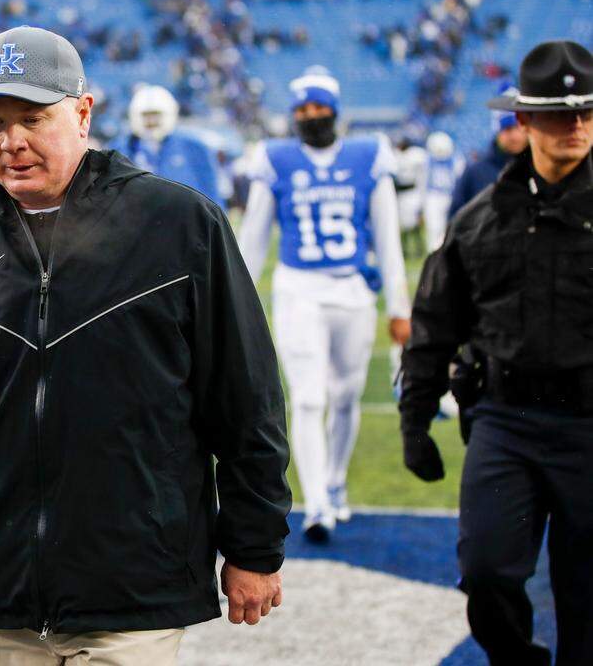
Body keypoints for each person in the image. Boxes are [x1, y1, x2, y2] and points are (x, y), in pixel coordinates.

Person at [0, 26, 290, 665]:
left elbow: (246, 398)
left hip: (131, 590)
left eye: (33, 117)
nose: (12, 140)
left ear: (82, 113)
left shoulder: (179, 226)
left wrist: (254, 546)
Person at [400, 39, 593, 666]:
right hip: (506, 421)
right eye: (562, 114)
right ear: (525, 120)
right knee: (485, 573)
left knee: (586, 595)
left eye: (588, 112)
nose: (578, 125)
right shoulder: (479, 220)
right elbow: (434, 324)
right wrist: (415, 422)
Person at [237, 66, 410, 543]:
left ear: (334, 110)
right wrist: (239, 304)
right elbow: (253, 239)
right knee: (310, 398)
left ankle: (334, 481)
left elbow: (388, 238)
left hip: (353, 289)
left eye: (317, 107)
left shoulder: (368, 155)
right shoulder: (274, 157)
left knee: (346, 395)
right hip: (299, 287)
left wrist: (399, 306)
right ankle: (316, 503)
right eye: (301, 109)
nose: (309, 116)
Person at [110, 84, 225, 206]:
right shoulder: (118, 149)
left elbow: (213, 197)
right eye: (146, 116)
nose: (151, 121)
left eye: (156, 115)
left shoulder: (195, 148)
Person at [447, 83, 529, 219]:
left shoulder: (541, 168)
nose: (515, 136)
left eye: (519, 127)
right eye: (508, 129)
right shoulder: (474, 173)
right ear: (497, 132)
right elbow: (456, 220)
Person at [422, 131, 464, 252]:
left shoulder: (457, 160)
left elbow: (459, 181)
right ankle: (434, 254)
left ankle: (449, 252)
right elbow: (423, 182)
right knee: (433, 228)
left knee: (451, 227)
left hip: (449, 195)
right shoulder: (426, 160)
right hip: (433, 196)